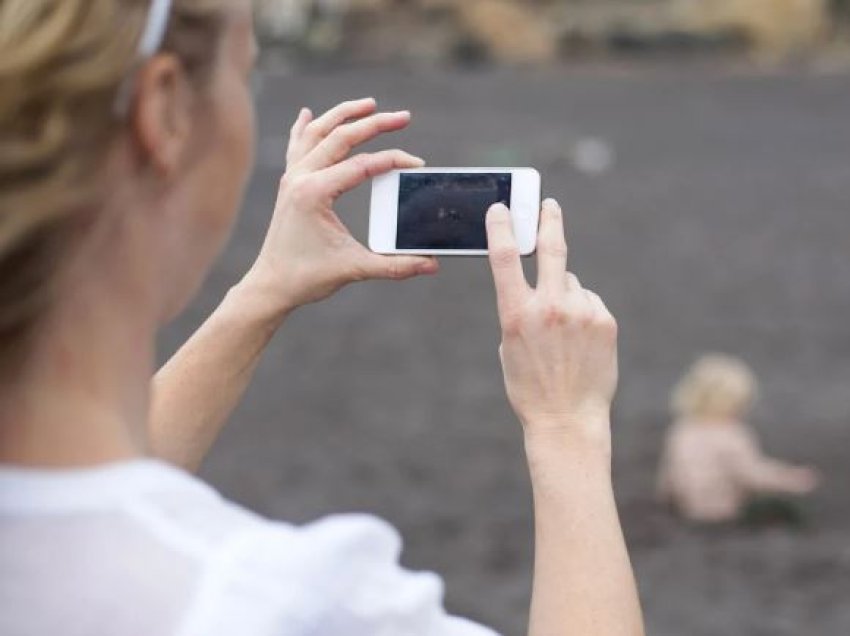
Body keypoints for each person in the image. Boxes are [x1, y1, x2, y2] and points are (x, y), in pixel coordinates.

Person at [0, 1, 644, 635]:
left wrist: (263, 295)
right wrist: (568, 429)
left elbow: (91, 503)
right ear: (164, 111)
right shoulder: (281, 606)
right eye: (245, 76)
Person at [656, 354, 820, 524]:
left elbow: (669, 477)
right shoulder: (732, 434)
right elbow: (752, 474)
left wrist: (668, 500)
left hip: (689, 508)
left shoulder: (681, 430)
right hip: (724, 510)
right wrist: (792, 480)